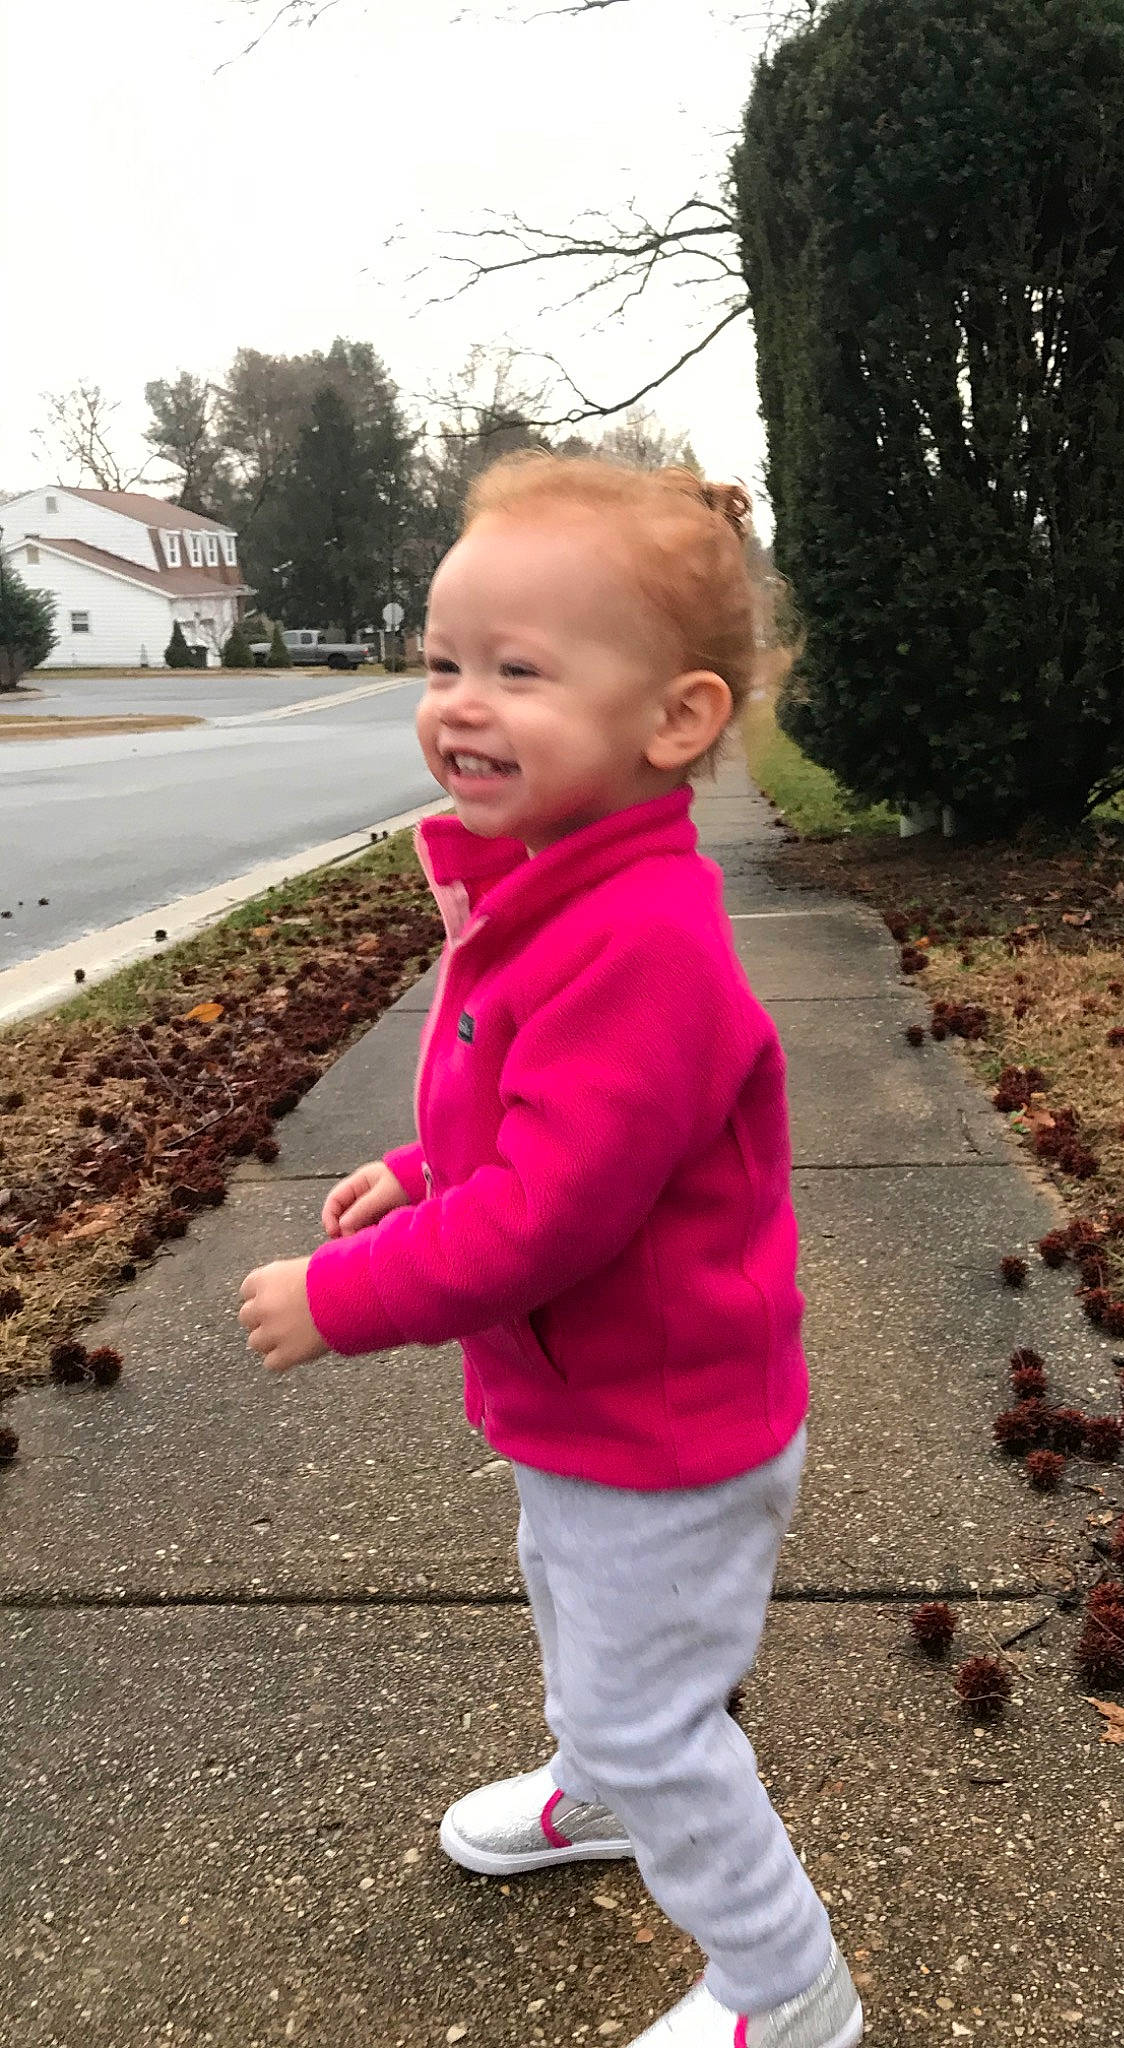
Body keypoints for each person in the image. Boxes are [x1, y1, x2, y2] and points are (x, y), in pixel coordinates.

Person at [238, 454, 863, 2048]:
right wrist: (415, 1163)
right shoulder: (550, 895)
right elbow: (528, 1122)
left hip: (666, 1425)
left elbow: (553, 1212)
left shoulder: (640, 941)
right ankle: (601, 1786)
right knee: (581, 1619)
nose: (460, 701)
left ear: (676, 720)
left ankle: (783, 1988)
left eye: (520, 669)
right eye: (444, 661)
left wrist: (344, 1298)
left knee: (656, 1711)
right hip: (599, 1410)